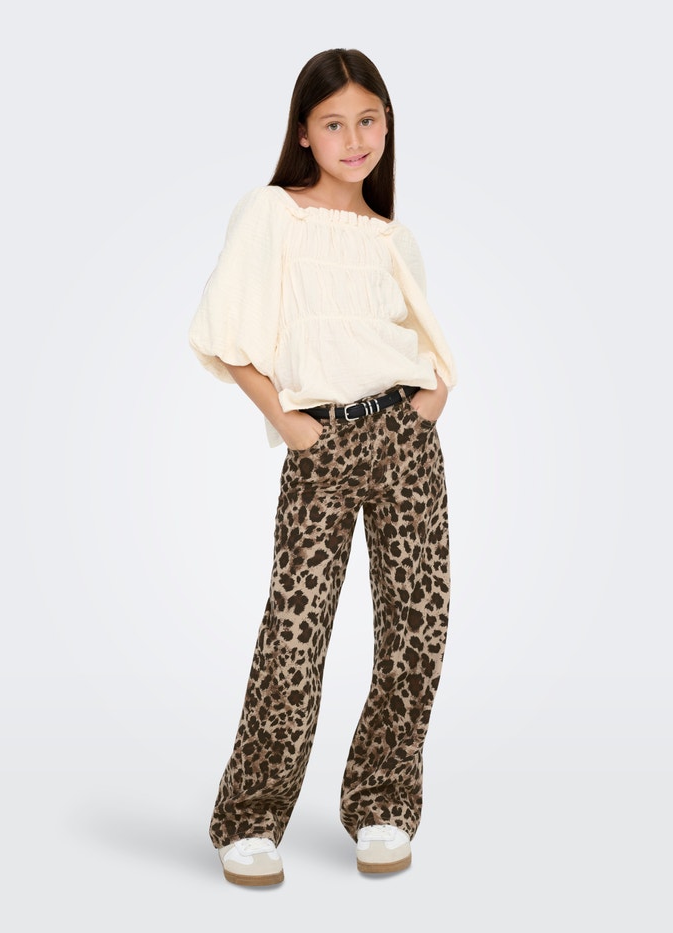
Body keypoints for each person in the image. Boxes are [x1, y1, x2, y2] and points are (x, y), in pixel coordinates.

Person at [188, 48, 457, 887]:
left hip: (406, 439)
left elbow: (412, 336)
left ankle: (383, 802)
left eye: (368, 120)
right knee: (296, 634)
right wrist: (289, 425)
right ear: (303, 133)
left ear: (387, 124)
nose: (354, 138)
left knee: (417, 629)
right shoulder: (274, 213)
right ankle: (250, 817)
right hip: (324, 443)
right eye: (333, 123)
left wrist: (430, 401)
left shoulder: (391, 236)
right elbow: (225, 335)